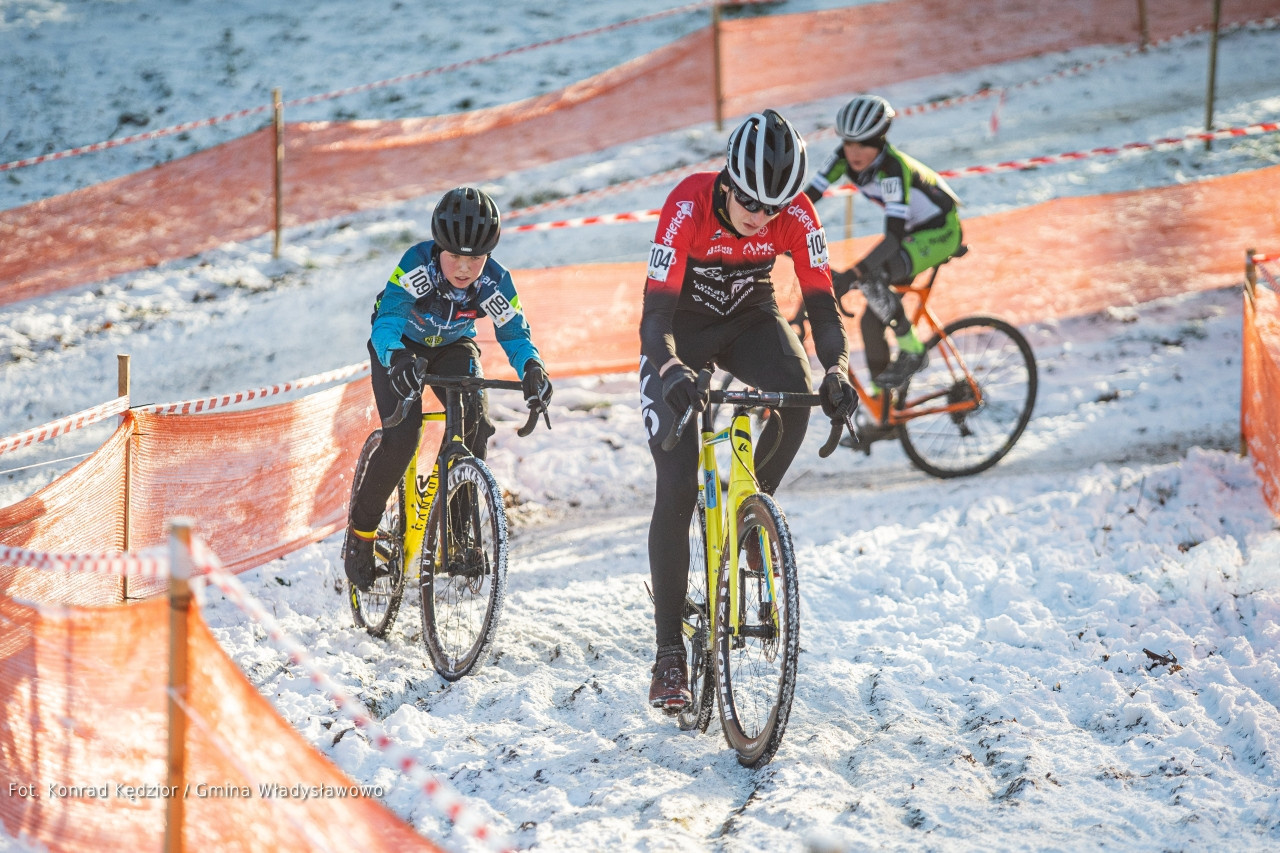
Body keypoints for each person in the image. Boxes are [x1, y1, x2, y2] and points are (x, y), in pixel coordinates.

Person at [638, 109, 857, 710]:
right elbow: (654, 318)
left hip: (750, 320)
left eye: (773, 207)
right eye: (750, 203)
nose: (760, 217)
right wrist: (670, 369)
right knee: (677, 486)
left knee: (799, 390)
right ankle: (668, 656)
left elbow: (822, 307)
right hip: (681, 330)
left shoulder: (798, 215)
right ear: (728, 181)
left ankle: (753, 518)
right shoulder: (686, 204)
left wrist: (838, 370)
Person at [342, 186, 553, 590]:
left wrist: (532, 368)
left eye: (475, 258)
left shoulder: (495, 281)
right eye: (454, 255)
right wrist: (395, 357)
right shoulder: (417, 265)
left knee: (475, 427)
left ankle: (458, 538)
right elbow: (386, 323)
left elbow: (515, 334)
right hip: (401, 345)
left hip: (454, 346)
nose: (464, 267)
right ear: (439, 246)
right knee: (403, 438)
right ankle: (361, 535)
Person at [803, 94, 963, 393]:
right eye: (848, 142)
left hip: (940, 232)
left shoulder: (893, 169)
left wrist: (853, 273)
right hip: (912, 233)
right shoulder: (842, 158)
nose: (854, 151)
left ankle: (914, 350)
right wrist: (772, 225)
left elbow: (893, 238)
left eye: (863, 143)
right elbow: (806, 199)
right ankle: (882, 405)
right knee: (871, 321)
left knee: (870, 278)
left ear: (879, 140)